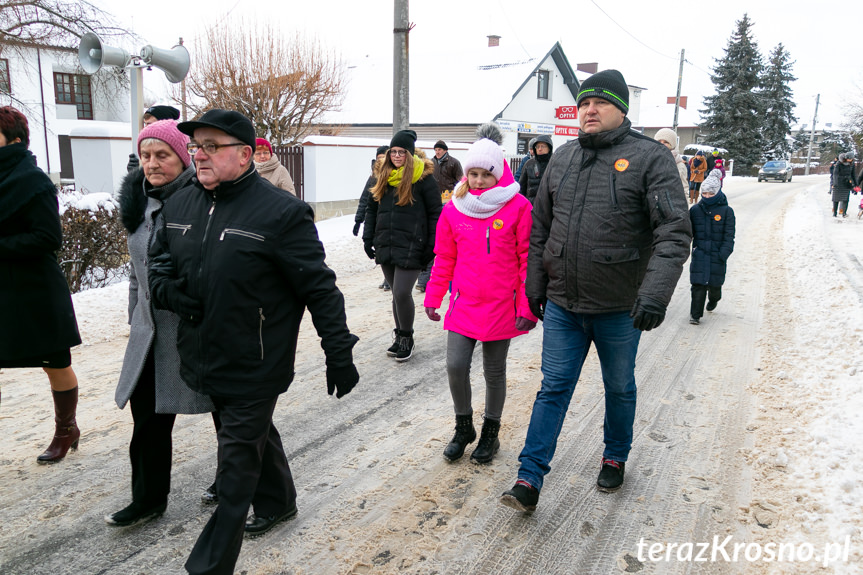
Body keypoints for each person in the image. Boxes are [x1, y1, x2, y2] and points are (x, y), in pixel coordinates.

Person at [148, 109, 360, 575]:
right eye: (196, 146)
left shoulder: (281, 213)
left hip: (257, 361)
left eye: (210, 147)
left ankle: (206, 567)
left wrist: (338, 352)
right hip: (204, 352)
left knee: (234, 471)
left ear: (244, 155)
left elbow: (319, 288)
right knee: (241, 432)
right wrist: (171, 292)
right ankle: (279, 500)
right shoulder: (180, 203)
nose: (198, 156)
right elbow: (158, 261)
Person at [499, 69, 692, 512]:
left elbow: (675, 232)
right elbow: (541, 228)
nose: (589, 109)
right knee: (553, 388)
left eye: (600, 102)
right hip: (565, 304)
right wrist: (535, 284)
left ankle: (615, 455)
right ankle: (528, 479)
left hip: (620, 307)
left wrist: (654, 294)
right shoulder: (562, 158)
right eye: (585, 102)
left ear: (621, 110)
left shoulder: (650, 159)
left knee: (619, 386)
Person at [106, 120, 221, 527]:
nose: (152, 164)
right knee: (147, 421)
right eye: (145, 156)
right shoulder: (138, 203)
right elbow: (136, 274)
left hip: (197, 329)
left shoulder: (204, 196)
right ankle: (148, 498)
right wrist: (137, 322)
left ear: (182, 156)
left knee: (226, 413)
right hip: (151, 334)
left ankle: (235, 484)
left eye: (163, 155)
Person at [424, 123, 537, 464]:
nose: (476, 181)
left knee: (494, 371)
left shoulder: (518, 207)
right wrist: (433, 296)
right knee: (455, 366)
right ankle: (464, 427)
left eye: (484, 175)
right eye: (471, 174)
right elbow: (444, 257)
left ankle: (491, 433)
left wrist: (527, 305)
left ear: (498, 174)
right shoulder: (453, 209)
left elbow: (526, 260)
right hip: (464, 303)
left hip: (503, 306)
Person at [0, 106, 83, 464]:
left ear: (13, 137)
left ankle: (66, 429)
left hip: (33, 288)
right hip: (2, 287)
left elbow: (47, 237)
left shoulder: (33, 180)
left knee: (55, 362)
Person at [363, 129, 442, 362]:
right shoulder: (382, 177)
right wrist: (368, 239)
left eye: (401, 152)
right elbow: (372, 209)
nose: (397, 156)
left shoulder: (423, 179)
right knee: (396, 295)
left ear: (410, 154)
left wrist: (432, 246)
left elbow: (436, 213)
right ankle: (399, 337)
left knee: (401, 292)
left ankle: (407, 337)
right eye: (393, 152)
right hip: (386, 242)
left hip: (412, 245)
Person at [688, 169, 735, 325]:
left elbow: (729, 236)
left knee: (715, 286)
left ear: (717, 192)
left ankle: (714, 299)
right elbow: (688, 233)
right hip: (700, 253)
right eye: (704, 194)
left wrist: (723, 254)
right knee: (698, 285)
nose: (707, 197)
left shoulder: (727, 212)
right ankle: (695, 315)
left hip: (717, 255)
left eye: (710, 194)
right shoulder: (695, 210)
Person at [417, 140, 464, 292]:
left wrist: (457, 196)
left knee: (445, 237)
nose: (437, 152)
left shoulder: (454, 163)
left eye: (440, 149)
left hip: (449, 202)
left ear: (445, 150)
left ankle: (444, 281)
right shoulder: (430, 163)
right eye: (436, 149)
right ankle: (424, 280)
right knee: (432, 234)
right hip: (432, 201)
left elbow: (460, 182)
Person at [354, 145, 391, 291]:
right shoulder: (373, 177)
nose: (381, 161)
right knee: (380, 249)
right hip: (376, 221)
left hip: (390, 220)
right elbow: (365, 199)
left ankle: (390, 279)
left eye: (383, 158)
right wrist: (358, 220)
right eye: (379, 158)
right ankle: (388, 277)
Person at [518, 135, 553, 203]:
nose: (540, 149)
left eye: (542, 146)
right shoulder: (529, 164)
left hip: (548, 208)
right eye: (537, 146)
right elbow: (521, 187)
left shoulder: (554, 164)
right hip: (531, 206)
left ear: (549, 148)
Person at [653, 128, 688, 195]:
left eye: (666, 142)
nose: (662, 144)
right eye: (659, 141)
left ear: (672, 145)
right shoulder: (649, 160)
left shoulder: (679, 165)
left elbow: (684, 189)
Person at [831, 152, 857, 218]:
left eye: (851, 159)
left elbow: (853, 175)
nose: (850, 160)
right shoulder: (839, 163)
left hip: (847, 183)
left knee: (845, 199)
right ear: (846, 158)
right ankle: (835, 213)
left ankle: (844, 213)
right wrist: (835, 183)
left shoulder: (852, 164)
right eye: (849, 159)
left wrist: (855, 185)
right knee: (836, 199)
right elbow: (835, 174)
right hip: (838, 183)